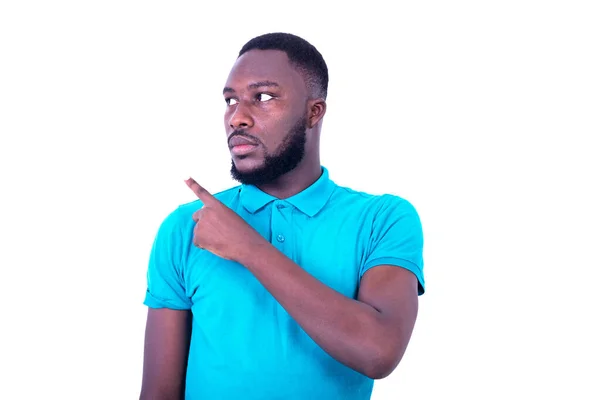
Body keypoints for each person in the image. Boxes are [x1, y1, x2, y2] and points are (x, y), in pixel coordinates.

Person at [139, 32, 425, 400]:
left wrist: (249, 248)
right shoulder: (188, 226)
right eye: (230, 100)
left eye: (263, 97)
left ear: (313, 112)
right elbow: (158, 393)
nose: (237, 117)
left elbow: (378, 351)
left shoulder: (382, 219)